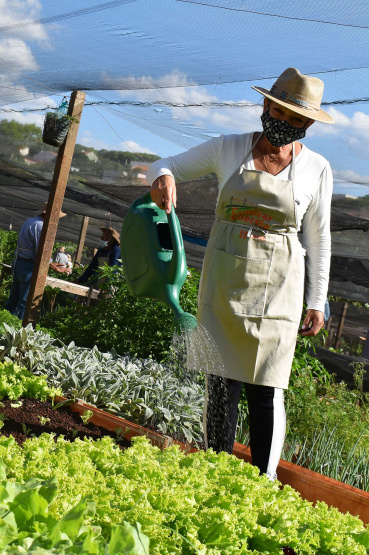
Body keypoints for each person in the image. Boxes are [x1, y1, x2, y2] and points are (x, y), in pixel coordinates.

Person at [146, 67, 333, 479]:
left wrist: (317, 301)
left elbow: (319, 238)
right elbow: (165, 164)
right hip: (225, 280)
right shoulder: (228, 149)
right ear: (266, 106)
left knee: (268, 387)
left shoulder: (317, 169)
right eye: (281, 114)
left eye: (298, 120)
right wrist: (162, 178)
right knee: (220, 382)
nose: (287, 125)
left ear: (308, 125)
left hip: (281, 288)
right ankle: (215, 472)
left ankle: (262, 482)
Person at [5, 205, 65, 319]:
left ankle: (4, 320)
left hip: (19, 263)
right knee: (24, 301)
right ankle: (17, 325)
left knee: (14, 297)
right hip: (28, 266)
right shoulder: (41, 226)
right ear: (49, 214)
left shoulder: (30, 221)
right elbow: (41, 252)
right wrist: (55, 268)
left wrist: (52, 262)